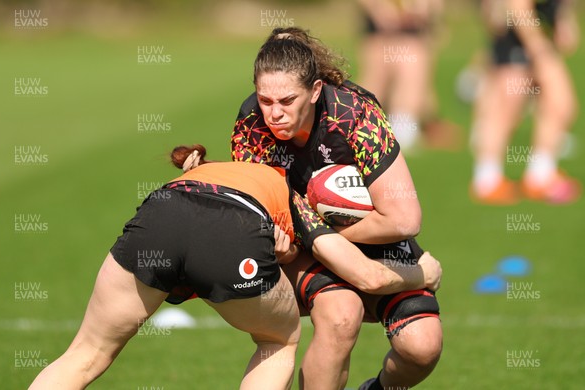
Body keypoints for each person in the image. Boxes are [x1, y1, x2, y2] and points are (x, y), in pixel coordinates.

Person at [231, 27, 443, 390]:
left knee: (422, 347)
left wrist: (330, 228)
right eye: (265, 100)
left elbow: (405, 219)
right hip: (304, 246)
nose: (274, 113)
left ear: (314, 91)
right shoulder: (251, 123)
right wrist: (289, 238)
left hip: (369, 235)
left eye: (287, 100)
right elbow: (267, 213)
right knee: (341, 315)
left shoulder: (354, 113)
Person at [29, 145, 302, 389]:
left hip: (161, 216)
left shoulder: (214, 171)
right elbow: (296, 249)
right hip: (230, 230)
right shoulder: (286, 187)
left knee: (87, 352)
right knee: (277, 341)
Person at [470, 0, 580, 205]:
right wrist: (539, 49)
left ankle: (540, 175)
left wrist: (563, 21)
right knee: (506, 110)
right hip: (516, 37)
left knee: (560, 104)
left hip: (537, 37)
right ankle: (487, 179)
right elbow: (517, 7)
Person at [356, 0, 461, 152]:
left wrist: (425, 11)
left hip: (411, 31)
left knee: (412, 80)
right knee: (375, 84)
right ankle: (357, 128)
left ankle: (403, 132)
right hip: (380, 32)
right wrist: (379, 8)